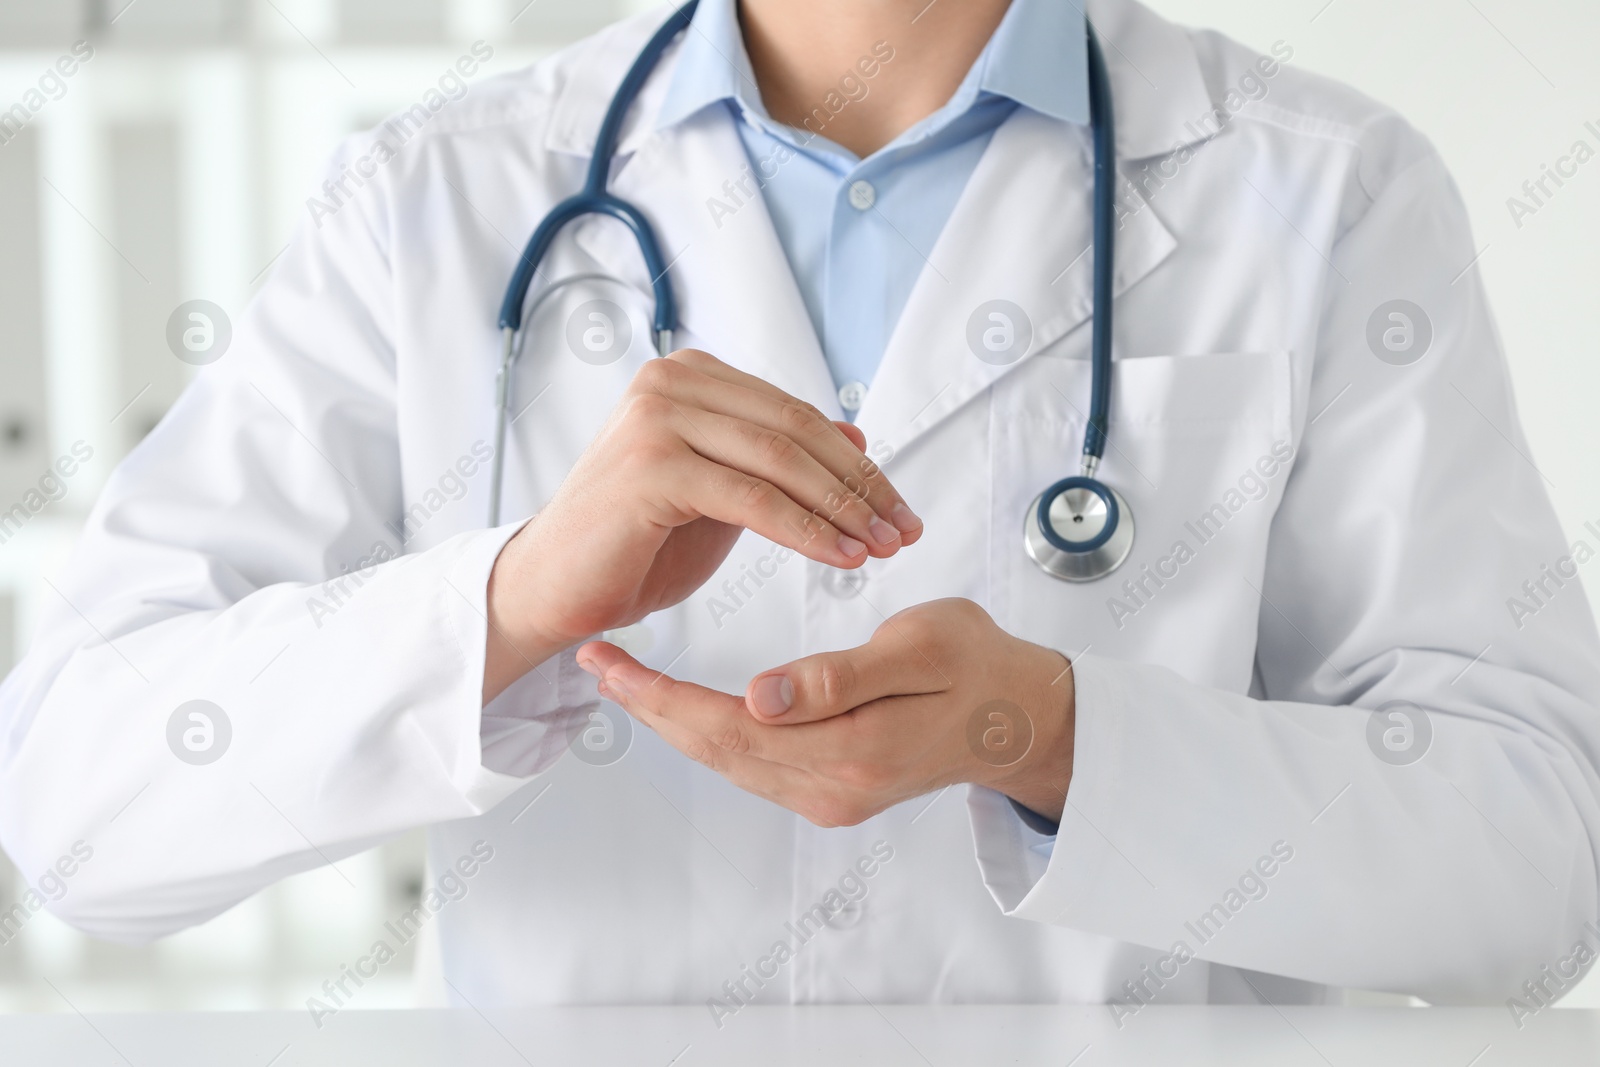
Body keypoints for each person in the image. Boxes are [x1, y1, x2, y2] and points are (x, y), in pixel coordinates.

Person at [3, 0, 1599, 1019]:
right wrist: (507, 605)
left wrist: (1055, 739)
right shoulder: (437, 199)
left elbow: (1533, 874)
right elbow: (76, 806)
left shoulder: (1320, 190)